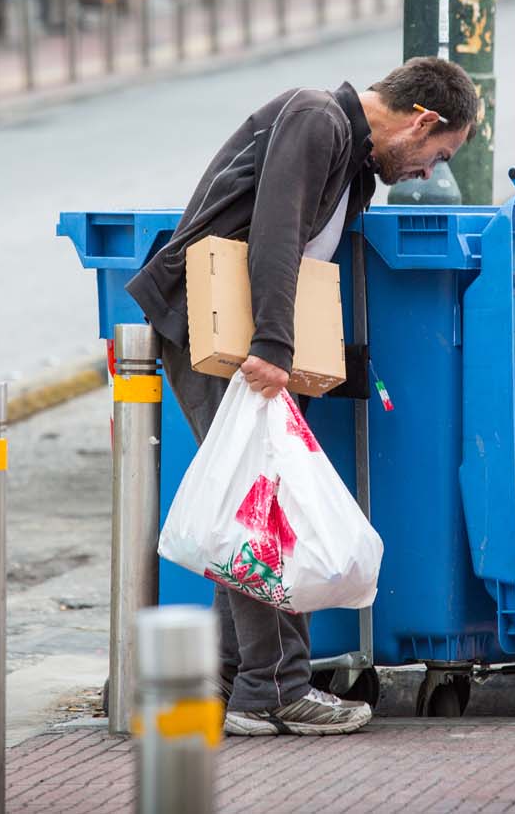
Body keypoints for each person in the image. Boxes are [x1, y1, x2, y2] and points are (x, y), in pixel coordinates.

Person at [126, 56, 479, 736]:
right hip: (219, 331)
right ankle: (276, 688)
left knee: (251, 501)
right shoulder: (318, 118)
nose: (431, 169)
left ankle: (226, 682)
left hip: (244, 337)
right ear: (421, 119)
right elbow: (276, 230)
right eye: (440, 152)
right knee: (265, 509)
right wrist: (272, 347)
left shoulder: (352, 156)